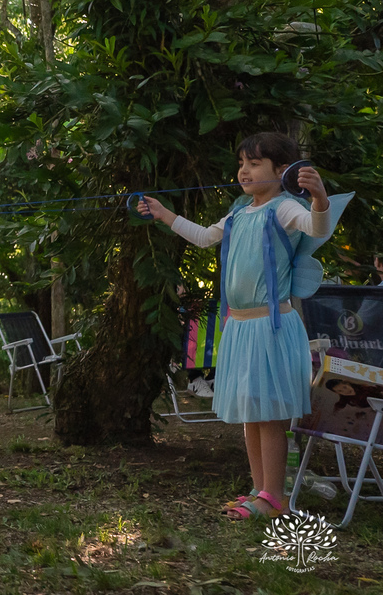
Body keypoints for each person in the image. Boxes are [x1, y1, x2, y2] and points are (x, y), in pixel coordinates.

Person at [139, 132, 337, 521]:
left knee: (269, 416)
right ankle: (258, 490)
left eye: (254, 163)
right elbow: (204, 237)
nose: (244, 170)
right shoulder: (238, 212)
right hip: (241, 328)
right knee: (250, 413)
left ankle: (274, 497)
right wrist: (164, 214)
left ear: (283, 171)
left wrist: (320, 198)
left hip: (271, 327)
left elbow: (316, 227)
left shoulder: (285, 209)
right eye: (241, 163)